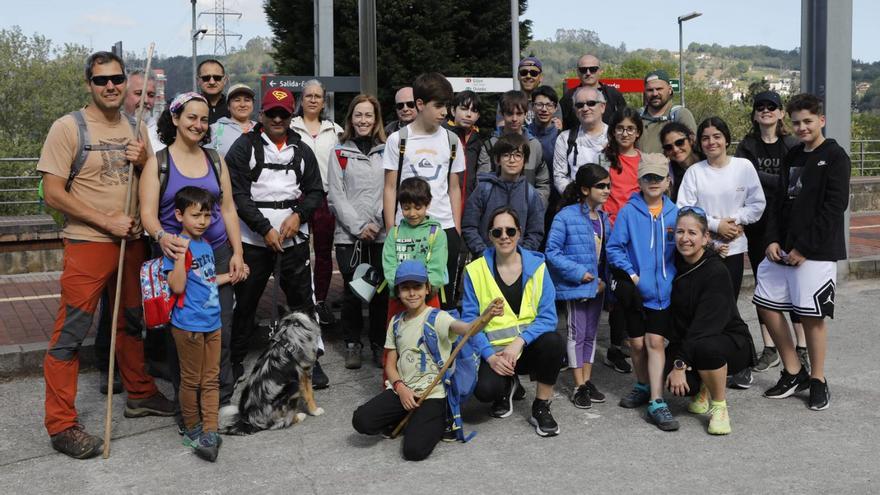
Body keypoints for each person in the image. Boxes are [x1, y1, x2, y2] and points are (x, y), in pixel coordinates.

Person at [38, 51, 173, 459]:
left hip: (131, 244)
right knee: (71, 334)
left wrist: (145, 159)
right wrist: (106, 220)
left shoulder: (137, 128)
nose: (110, 86)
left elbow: (151, 181)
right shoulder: (68, 128)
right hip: (88, 244)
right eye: (101, 80)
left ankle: (140, 393)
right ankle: (61, 425)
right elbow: (52, 192)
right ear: (89, 85)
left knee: (131, 323)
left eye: (116, 79)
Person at [140, 91, 247, 414]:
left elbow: (228, 208)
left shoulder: (215, 159)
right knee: (183, 333)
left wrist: (237, 252)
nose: (198, 125)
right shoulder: (158, 163)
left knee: (221, 328)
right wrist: (161, 237)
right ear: (175, 119)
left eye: (203, 119)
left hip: (216, 252)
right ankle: (187, 400)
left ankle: (221, 398)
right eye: (191, 118)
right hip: (178, 259)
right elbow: (147, 212)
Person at [226, 87, 330, 388]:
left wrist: (298, 217)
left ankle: (310, 361)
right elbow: (238, 195)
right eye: (271, 113)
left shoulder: (301, 150)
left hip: (293, 240)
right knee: (245, 303)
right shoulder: (244, 148)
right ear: (262, 115)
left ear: (290, 116)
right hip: (254, 241)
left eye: (283, 114)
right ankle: (234, 360)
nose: (277, 119)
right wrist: (264, 228)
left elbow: (314, 191)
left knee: (302, 305)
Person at [754, 93, 851, 411]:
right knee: (766, 306)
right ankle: (794, 370)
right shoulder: (792, 155)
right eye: (796, 122)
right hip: (782, 248)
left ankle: (819, 379)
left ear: (821, 120)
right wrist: (770, 239)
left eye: (808, 121)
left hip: (816, 252)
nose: (802, 127)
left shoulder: (835, 156)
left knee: (812, 317)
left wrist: (804, 248)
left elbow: (835, 207)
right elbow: (778, 203)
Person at [351, 260, 503, 461]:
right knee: (361, 420)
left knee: (414, 451)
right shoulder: (395, 323)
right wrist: (400, 387)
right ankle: (409, 416)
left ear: (427, 289)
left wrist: (486, 317)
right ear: (398, 291)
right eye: (405, 288)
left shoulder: (437, 317)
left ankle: (438, 418)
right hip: (403, 391)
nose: (412, 293)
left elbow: (467, 330)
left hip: (432, 394)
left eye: (417, 287)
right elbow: (389, 363)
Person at [462, 207, 565, 437]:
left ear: (519, 233)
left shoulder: (538, 267)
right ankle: (507, 385)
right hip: (496, 355)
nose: (504, 236)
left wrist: (520, 341)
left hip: (527, 349)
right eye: (497, 232)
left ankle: (541, 405)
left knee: (554, 341)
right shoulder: (474, 271)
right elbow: (470, 321)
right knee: (484, 391)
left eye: (510, 230)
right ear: (489, 236)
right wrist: (489, 355)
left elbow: (548, 317)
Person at [734, 91, 808, 374]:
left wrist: (761, 177)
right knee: (764, 289)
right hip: (757, 226)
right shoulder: (747, 146)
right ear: (755, 114)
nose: (766, 111)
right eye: (760, 107)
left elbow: (794, 182)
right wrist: (777, 180)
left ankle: (801, 347)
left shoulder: (792, 144)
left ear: (780, 114)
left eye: (772, 107)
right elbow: (743, 179)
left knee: (794, 287)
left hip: (787, 224)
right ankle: (770, 348)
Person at [666, 207, 757, 435]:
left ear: (706, 237)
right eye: (680, 232)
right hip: (692, 339)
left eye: (692, 233)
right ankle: (702, 387)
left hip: (726, 340)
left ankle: (719, 406)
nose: (685, 238)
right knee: (669, 379)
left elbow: (704, 328)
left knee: (706, 349)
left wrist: (680, 364)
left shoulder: (715, 271)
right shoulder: (674, 264)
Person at [606, 154, 679, 431]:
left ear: (667, 181)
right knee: (636, 345)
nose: (653, 183)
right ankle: (642, 384)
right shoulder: (628, 211)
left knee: (655, 343)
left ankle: (657, 402)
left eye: (658, 178)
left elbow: (684, 247)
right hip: (636, 293)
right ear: (639, 180)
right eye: (647, 177)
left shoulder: (675, 213)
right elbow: (614, 248)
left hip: (664, 294)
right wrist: (633, 276)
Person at [383, 73, 465, 310]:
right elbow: (390, 187)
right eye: (438, 106)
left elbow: (454, 187)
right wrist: (391, 229)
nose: (444, 112)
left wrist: (455, 230)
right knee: (407, 297)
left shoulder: (452, 140)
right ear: (420, 104)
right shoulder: (398, 139)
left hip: (444, 228)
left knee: (442, 299)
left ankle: (440, 347)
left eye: (447, 106)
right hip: (407, 229)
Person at [164, 186, 232, 462]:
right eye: (196, 215)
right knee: (191, 380)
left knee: (211, 379)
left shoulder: (205, 245)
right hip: (188, 325)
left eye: (207, 215)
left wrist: (229, 276)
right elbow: (177, 285)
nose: (202, 221)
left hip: (212, 322)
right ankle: (192, 428)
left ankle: (210, 430)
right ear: (179, 215)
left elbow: (205, 280)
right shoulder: (177, 246)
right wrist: (180, 257)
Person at [327, 94, 389, 369]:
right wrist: (358, 227)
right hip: (349, 236)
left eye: (369, 115)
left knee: (379, 292)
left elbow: (391, 189)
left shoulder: (387, 150)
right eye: (358, 115)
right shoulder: (339, 152)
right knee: (353, 292)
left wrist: (376, 222)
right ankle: (352, 343)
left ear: (376, 120)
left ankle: (378, 343)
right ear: (351, 118)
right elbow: (336, 196)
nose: (363, 120)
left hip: (381, 233)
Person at [677, 116, 766, 301]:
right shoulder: (694, 172)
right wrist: (717, 226)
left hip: (733, 248)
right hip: (702, 249)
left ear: (726, 139)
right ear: (700, 143)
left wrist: (735, 221)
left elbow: (757, 204)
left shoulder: (743, 166)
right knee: (705, 303)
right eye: (705, 138)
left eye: (716, 136)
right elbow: (685, 209)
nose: (711, 142)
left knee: (729, 304)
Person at [545, 164, 611, 409]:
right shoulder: (566, 216)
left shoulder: (604, 218)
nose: (607, 190)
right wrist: (579, 273)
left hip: (597, 288)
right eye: (600, 186)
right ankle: (578, 385)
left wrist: (603, 280)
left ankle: (587, 380)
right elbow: (552, 252)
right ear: (585, 189)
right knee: (576, 335)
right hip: (577, 287)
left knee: (591, 335)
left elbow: (607, 253)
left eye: (608, 185)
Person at [290, 80, 344, 325]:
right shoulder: (290, 127)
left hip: (324, 198)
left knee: (323, 253)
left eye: (318, 96)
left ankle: (320, 301)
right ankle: (301, 303)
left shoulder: (336, 131)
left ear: (324, 101)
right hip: (296, 197)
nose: (313, 100)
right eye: (308, 95)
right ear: (302, 99)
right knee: (298, 252)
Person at [462, 133, 545, 255]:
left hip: (518, 262)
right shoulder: (484, 189)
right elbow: (469, 226)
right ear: (497, 159)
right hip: (485, 259)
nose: (512, 160)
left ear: (525, 160)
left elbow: (535, 232)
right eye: (506, 155)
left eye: (518, 155)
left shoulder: (531, 194)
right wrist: (483, 253)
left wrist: (521, 256)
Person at [382, 177, 448, 318]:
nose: (412, 213)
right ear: (400, 206)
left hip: (427, 298)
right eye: (406, 208)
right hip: (399, 297)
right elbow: (389, 265)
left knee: (428, 335)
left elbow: (437, 269)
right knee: (398, 336)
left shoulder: (437, 234)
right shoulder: (394, 233)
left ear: (428, 204)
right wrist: (399, 291)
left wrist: (423, 292)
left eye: (418, 208)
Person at [479, 90, 550, 205]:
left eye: (519, 113)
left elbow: (543, 183)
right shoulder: (490, 146)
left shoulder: (534, 145)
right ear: (502, 114)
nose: (514, 119)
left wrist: (536, 207)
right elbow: (482, 183)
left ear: (526, 114)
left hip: (528, 212)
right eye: (510, 113)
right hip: (497, 213)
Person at [553, 86, 608, 195]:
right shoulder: (564, 138)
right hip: (576, 204)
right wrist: (578, 198)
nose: (585, 108)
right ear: (575, 110)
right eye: (579, 105)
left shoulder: (615, 137)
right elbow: (559, 176)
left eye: (591, 103)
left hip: (610, 206)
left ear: (602, 107)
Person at [444, 90, 490, 206]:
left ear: (478, 116)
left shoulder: (480, 141)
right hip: (444, 206)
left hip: (470, 205)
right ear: (453, 111)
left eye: (474, 111)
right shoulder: (442, 135)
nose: (468, 114)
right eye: (464, 109)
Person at [560, 54, 627, 129]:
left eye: (593, 69)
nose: (588, 73)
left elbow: (625, 120)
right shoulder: (568, 97)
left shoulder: (613, 94)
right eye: (583, 70)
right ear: (578, 72)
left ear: (600, 71)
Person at [637, 70, 697, 154]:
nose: (655, 93)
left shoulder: (680, 115)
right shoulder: (637, 117)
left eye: (659, 89)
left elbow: (692, 148)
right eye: (650, 90)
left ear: (670, 90)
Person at [495, 57, 562, 130]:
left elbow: (556, 128)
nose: (528, 76)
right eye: (524, 72)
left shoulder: (550, 102)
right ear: (518, 75)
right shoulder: (508, 101)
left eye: (533, 73)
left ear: (541, 77)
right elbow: (501, 129)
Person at [210, 83, 257, 157]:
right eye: (237, 100)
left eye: (247, 100)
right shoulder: (216, 129)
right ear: (228, 106)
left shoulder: (261, 129)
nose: (242, 105)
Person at [660, 122, 700, 202]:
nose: (675, 149)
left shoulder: (709, 163)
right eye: (668, 147)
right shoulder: (667, 175)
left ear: (691, 139)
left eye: (679, 142)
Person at [124, 69, 161, 152]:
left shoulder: (163, 132)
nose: (146, 100)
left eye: (151, 95)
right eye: (138, 93)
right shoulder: (113, 127)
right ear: (124, 95)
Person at [197, 59, 229, 125]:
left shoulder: (234, 107)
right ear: (198, 80)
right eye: (206, 78)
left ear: (225, 80)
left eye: (217, 77)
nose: (212, 82)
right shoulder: (189, 107)